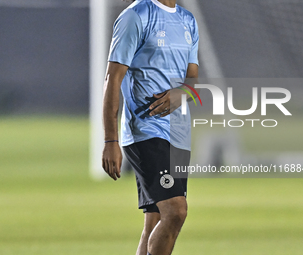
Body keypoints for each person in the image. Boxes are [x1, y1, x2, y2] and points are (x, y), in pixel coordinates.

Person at [102, 0, 199, 254]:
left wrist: (182, 93)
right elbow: (113, 78)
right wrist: (110, 140)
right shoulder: (136, 15)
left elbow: (191, 78)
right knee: (176, 210)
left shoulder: (188, 20)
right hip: (145, 131)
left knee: (155, 219)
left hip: (178, 134)